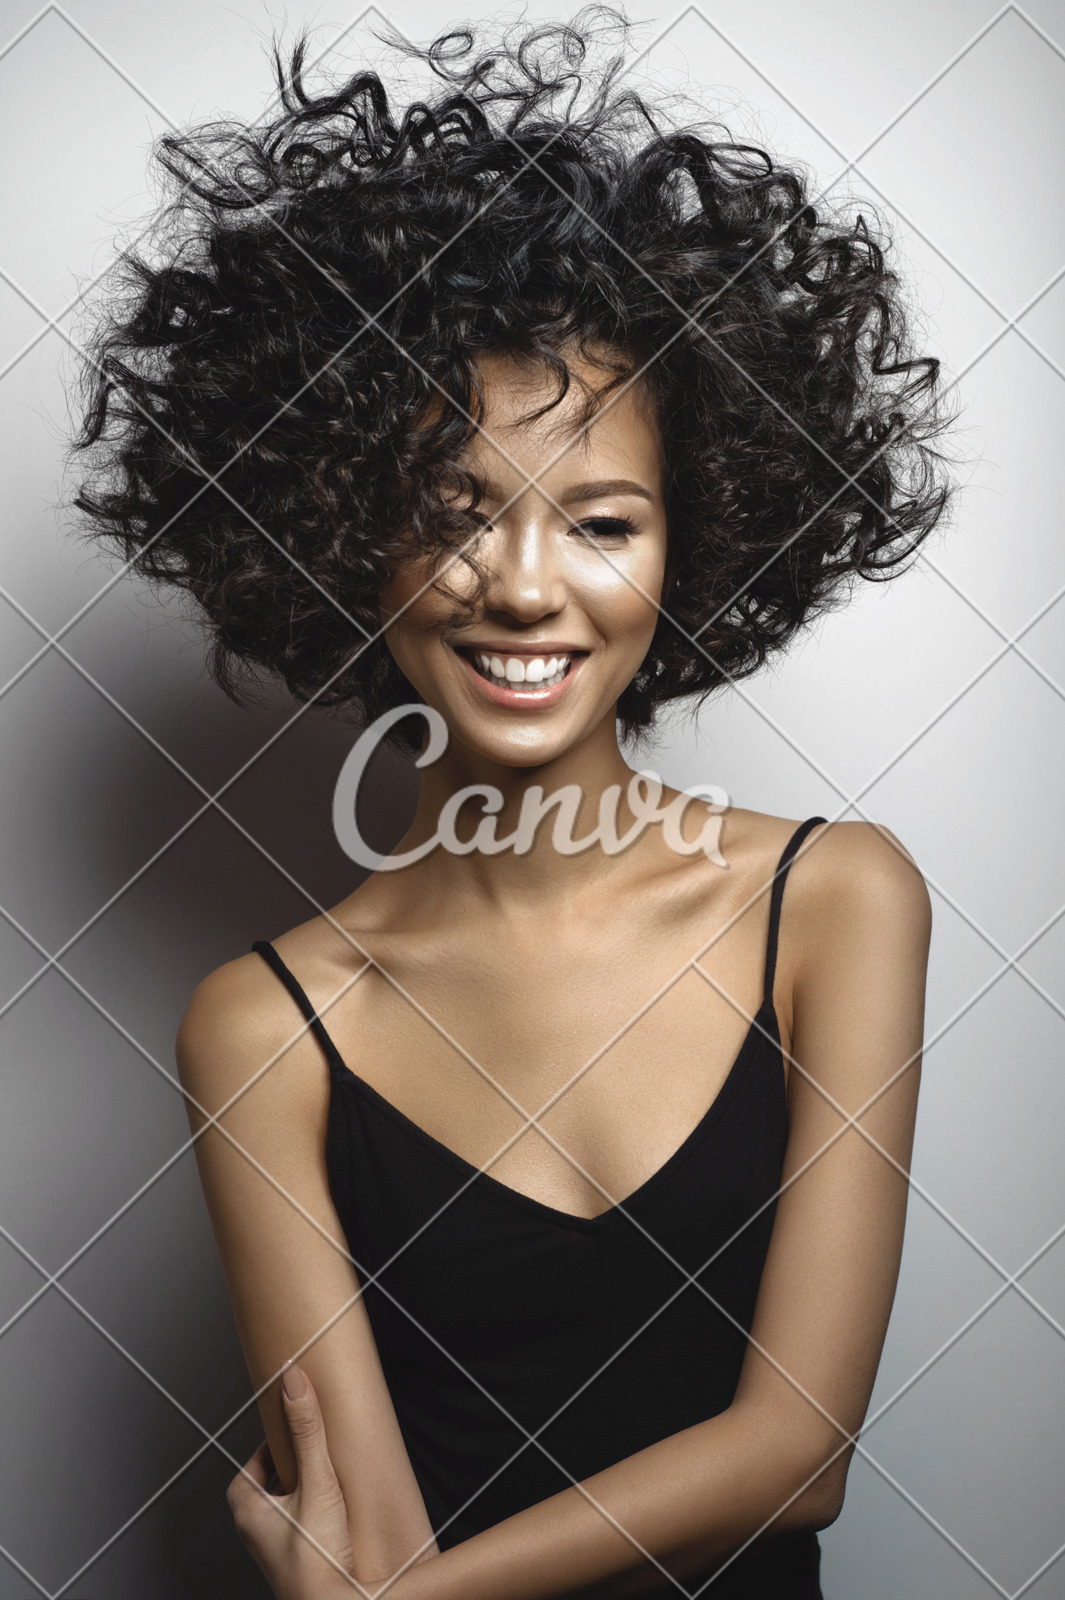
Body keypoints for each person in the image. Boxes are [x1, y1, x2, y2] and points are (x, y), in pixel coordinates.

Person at [72, 8, 948, 1595]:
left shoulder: (837, 902)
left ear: (692, 547)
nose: (526, 587)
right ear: (346, 539)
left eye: (601, 521)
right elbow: (368, 1536)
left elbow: (799, 1448)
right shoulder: (264, 1027)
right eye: (449, 511)